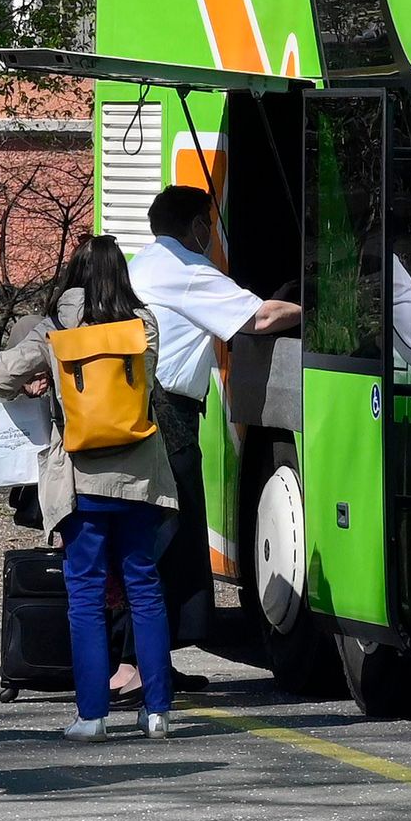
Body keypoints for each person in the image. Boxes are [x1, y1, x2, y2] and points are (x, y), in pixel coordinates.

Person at [125, 184, 298, 658]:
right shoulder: (186, 269)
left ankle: (150, 659)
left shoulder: (145, 263)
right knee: (169, 531)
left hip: (145, 406)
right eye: (210, 225)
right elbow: (258, 319)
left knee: (163, 529)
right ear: (199, 226)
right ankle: (134, 663)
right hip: (166, 412)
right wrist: (320, 306)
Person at [49, 236, 179, 738]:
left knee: (84, 595)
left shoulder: (56, 324)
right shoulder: (143, 324)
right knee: (144, 588)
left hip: (82, 476)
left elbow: (3, 376)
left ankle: (92, 715)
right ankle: (158, 711)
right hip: (139, 473)